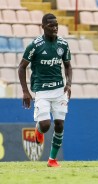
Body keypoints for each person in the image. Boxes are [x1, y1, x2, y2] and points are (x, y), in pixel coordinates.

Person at [18, 13, 72, 167]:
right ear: (43, 27)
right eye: (51, 25)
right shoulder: (35, 46)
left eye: (56, 25)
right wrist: (25, 91)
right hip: (41, 90)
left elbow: (68, 65)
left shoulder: (63, 44)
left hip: (59, 90)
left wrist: (68, 84)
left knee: (60, 124)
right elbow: (21, 67)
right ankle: (38, 131)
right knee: (46, 125)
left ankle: (52, 160)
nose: (55, 28)